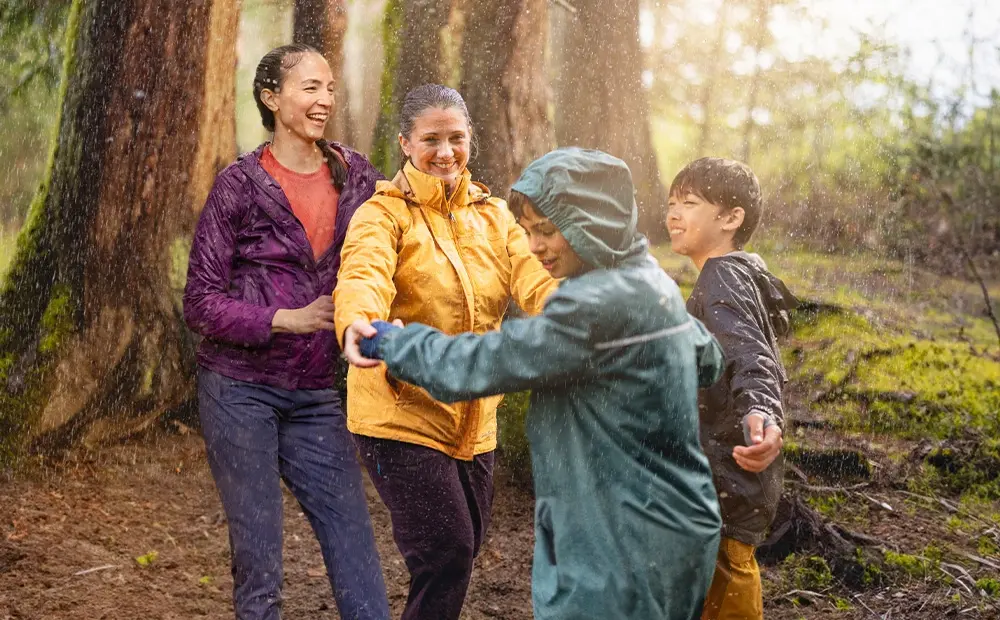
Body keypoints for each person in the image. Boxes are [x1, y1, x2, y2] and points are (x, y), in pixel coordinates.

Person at [347, 147, 725, 620]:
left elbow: (484, 362)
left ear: (596, 223)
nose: (534, 246)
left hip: (616, 543)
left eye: (547, 231)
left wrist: (393, 344)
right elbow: (707, 359)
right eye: (526, 232)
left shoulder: (594, 306)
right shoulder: (651, 282)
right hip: (678, 526)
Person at [332, 84, 558, 620]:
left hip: (476, 417)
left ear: (470, 139)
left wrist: (577, 312)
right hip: (399, 411)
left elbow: (534, 277)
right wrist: (358, 325)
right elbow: (362, 274)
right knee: (447, 551)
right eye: (431, 139)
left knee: (464, 547)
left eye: (456, 138)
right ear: (406, 143)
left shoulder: (496, 215)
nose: (445, 151)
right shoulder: (382, 215)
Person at [182, 43, 389, 620]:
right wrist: (282, 319)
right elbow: (199, 302)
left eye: (328, 87)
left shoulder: (357, 177)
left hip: (317, 392)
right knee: (259, 554)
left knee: (352, 536)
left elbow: (398, 244)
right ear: (272, 98)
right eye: (309, 88)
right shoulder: (238, 187)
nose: (324, 100)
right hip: (238, 389)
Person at [666, 157, 798, 620]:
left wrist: (761, 412)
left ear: (730, 218)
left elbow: (752, 356)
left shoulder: (721, 276)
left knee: (726, 579)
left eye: (690, 202)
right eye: (671, 203)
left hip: (729, 469)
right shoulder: (741, 275)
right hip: (728, 473)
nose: (674, 213)